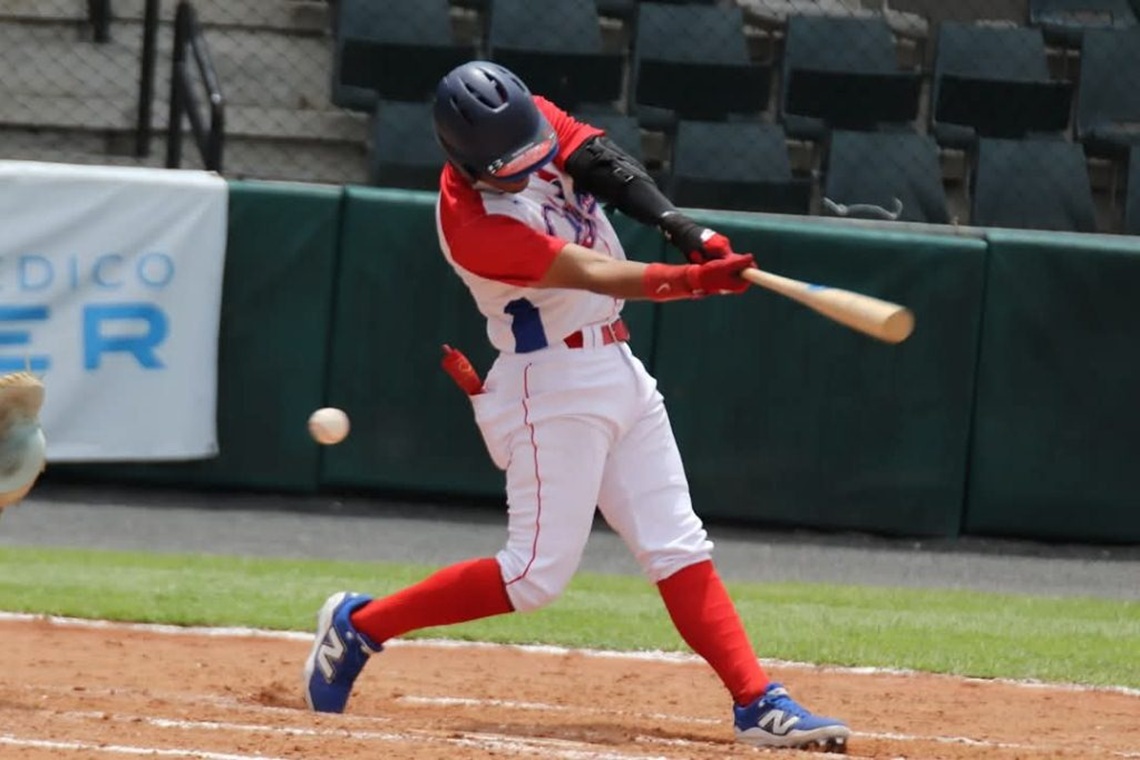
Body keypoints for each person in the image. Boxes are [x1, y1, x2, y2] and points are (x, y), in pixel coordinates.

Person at [303, 60, 850, 752]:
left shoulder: (522, 117)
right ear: (465, 159)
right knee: (533, 577)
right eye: (512, 164)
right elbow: (590, 270)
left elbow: (597, 159)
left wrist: (685, 229)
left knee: (677, 545)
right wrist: (691, 280)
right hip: (549, 385)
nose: (530, 166)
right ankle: (361, 625)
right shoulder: (471, 223)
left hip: (616, 366)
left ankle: (756, 702)